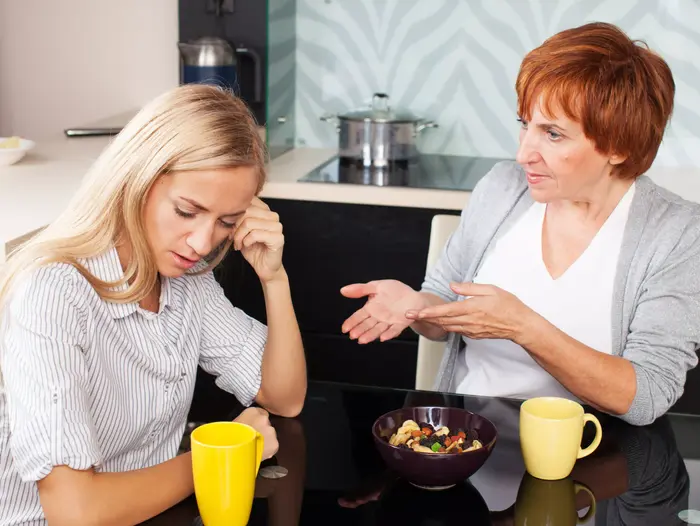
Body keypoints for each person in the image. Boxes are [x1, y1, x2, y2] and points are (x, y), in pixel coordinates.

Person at [340, 21, 700, 427]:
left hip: (592, 466)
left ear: (618, 145)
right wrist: (417, 306)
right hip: (468, 449)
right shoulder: (501, 188)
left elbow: (646, 395)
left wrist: (523, 327)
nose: (523, 153)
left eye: (553, 134)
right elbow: (443, 301)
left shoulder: (678, 233)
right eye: (525, 125)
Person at [0, 85, 307, 525]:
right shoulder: (51, 292)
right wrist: (224, 454)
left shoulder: (186, 282)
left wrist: (274, 278)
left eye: (226, 222)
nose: (203, 243)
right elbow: (75, 513)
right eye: (187, 211)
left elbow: (284, 397)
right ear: (136, 178)